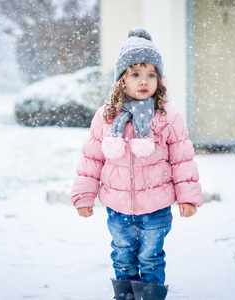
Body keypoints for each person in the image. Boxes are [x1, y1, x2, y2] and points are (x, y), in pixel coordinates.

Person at [70, 27, 202, 300]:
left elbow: (182, 160)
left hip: (156, 207)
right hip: (118, 208)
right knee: (122, 256)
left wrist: (187, 197)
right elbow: (92, 158)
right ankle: (126, 296)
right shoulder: (106, 118)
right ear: (122, 80)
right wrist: (84, 195)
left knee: (151, 257)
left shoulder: (167, 118)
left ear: (160, 80)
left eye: (151, 74)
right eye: (136, 74)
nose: (144, 81)